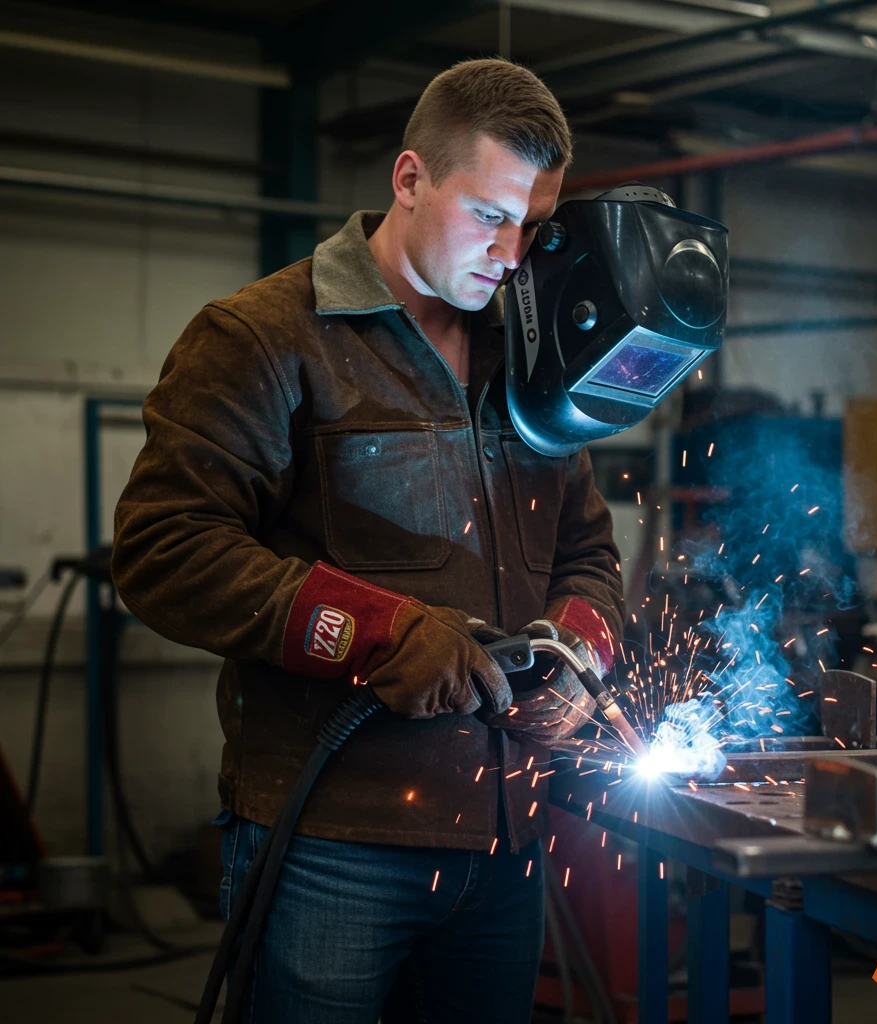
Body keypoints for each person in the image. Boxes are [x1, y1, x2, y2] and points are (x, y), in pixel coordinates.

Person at [111, 57, 623, 1024]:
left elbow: (588, 554)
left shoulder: (530, 361)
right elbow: (163, 550)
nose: (513, 253)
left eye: (535, 225)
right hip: (331, 847)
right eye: (487, 214)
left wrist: (574, 650)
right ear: (408, 178)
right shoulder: (265, 338)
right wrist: (378, 633)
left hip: (505, 842)